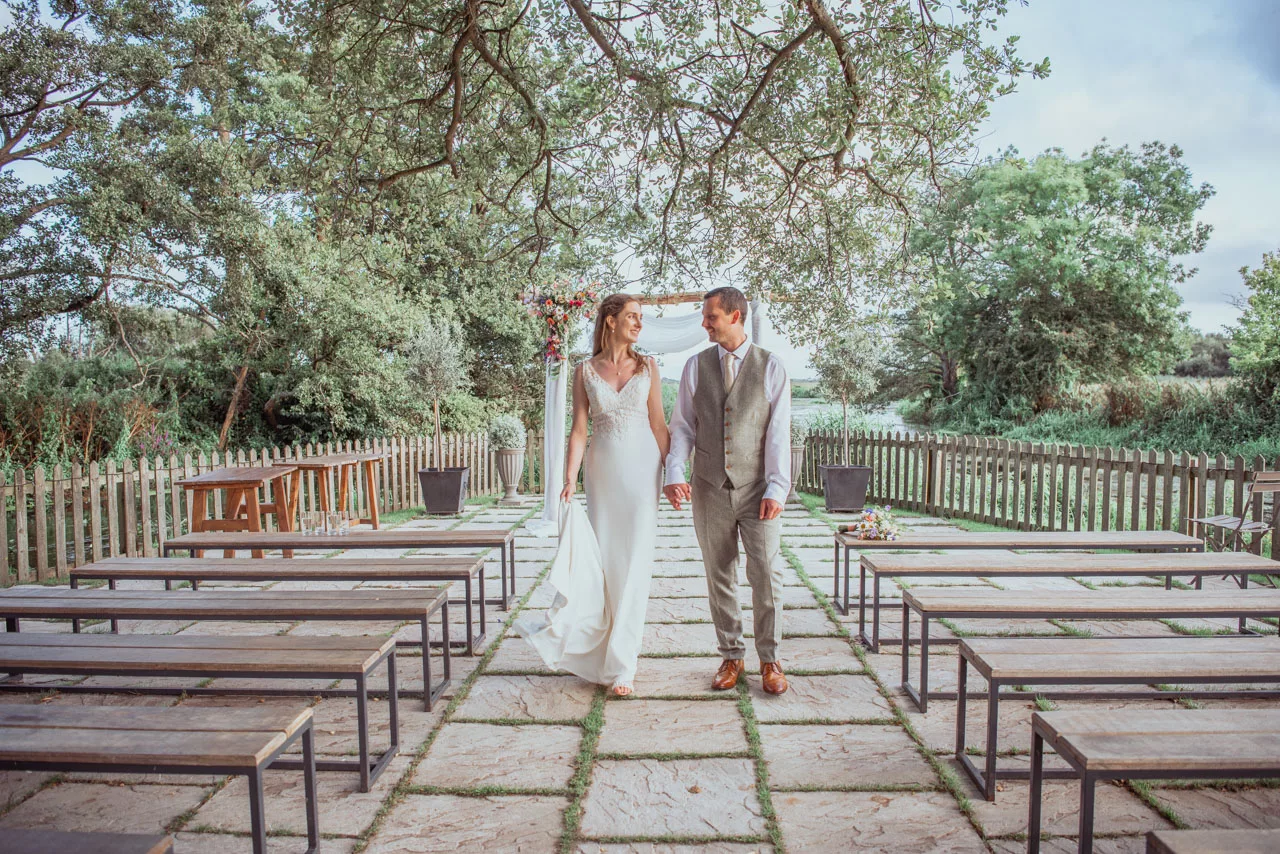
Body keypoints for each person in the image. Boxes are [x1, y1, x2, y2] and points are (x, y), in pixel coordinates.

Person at [517, 294, 668, 697]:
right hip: (601, 473)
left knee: (634, 563)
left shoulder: (648, 367)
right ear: (610, 321)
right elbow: (580, 430)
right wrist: (569, 477)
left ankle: (624, 665)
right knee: (605, 563)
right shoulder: (585, 370)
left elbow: (658, 425)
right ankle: (598, 644)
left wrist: (674, 473)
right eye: (632, 317)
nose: (639, 324)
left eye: (640, 317)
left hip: (642, 472)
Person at [663, 286, 792, 694]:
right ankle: (731, 656)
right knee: (719, 573)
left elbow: (778, 434)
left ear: (735, 316)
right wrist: (674, 472)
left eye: (711, 317)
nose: (704, 324)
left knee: (766, 574)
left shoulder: (771, 366)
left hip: (758, 490)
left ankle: (770, 660)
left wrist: (777, 487)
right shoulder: (695, 367)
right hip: (708, 486)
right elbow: (682, 425)